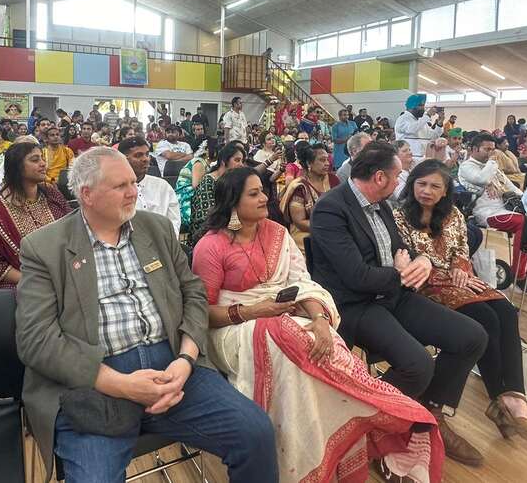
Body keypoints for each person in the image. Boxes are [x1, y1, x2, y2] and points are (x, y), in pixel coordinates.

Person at [15, 147, 278, 482]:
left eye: (133, 183)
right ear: (87, 195)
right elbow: (36, 340)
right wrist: (121, 384)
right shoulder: (45, 247)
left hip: (173, 368)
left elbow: (193, 294)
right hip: (95, 385)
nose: (134, 192)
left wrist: (185, 359)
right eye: (120, 185)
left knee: (255, 434)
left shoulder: (156, 229)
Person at [193, 168, 444, 482]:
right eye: (254, 194)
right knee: (286, 336)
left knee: (324, 342)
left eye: (263, 191)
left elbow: (302, 285)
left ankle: (327, 433)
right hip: (233, 329)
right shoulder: (211, 246)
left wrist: (321, 320)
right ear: (232, 202)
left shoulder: (276, 233)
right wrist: (257, 311)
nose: (265, 198)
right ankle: (341, 422)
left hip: (281, 319)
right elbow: (202, 313)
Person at [310, 142, 488, 466]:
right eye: (397, 175)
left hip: (392, 294)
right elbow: (356, 277)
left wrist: (420, 261)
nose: (400, 181)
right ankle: (362, 420)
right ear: (380, 177)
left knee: (471, 337)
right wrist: (400, 272)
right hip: (355, 305)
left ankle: (428, 415)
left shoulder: (382, 205)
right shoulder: (331, 208)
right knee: (418, 365)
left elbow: (403, 248)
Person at [394, 160, 527, 445]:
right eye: (421, 184)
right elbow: (406, 257)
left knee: (506, 311)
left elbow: (462, 248)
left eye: (435, 186)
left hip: (457, 278)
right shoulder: (399, 216)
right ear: (411, 184)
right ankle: (501, 402)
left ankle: (512, 395)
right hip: (424, 284)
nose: (426, 191)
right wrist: (448, 274)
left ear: (445, 190)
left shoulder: (453, 215)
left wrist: (462, 268)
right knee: (485, 318)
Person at [0, 141, 69, 289]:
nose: (43, 164)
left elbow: (73, 229)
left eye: (42, 158)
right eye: (34, 160)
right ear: (17, 167)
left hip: (63, 273)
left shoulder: (51, 193)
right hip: (22, 283)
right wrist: (35, 281)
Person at [459, 133, 527, 294]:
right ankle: (519, 274)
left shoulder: (491, 166)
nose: (491, 153)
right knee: (523, 222)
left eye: (493, 150)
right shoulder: (467, 166)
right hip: (486, 212)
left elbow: (512, 188)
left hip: (506, 208)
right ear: (474, 149)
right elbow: (482, 179)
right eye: (487, 149)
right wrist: (493, 162)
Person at [115, 136, 182, 234]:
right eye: (138, 155)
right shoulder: (114, 190)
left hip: (164, 244)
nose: (145, 159)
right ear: (123, 159)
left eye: (147, 154)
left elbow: (174, 222)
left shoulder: (162, 186)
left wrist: (167, 244)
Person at [279, 143, 339, 252]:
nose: (327, 163)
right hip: (307, 239)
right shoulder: (299, 187)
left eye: (327, 159)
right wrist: (330, 227)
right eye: (322, 160)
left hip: (336, 233)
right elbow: (300, 222)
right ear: (309, 163)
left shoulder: (333, 180)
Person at [188, 143, 246, 240]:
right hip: (207, 235)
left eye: (242, 161)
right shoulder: (208, 182)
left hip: (229, 230)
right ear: (224, 161)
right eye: (237, 160)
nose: (241, 165)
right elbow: (205, 218)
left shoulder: (232, 182)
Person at [175, 138, 214, 233]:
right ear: (208, 150)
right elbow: (197, 186)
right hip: (186, 198)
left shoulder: (207, 164)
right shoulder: (199, 162)